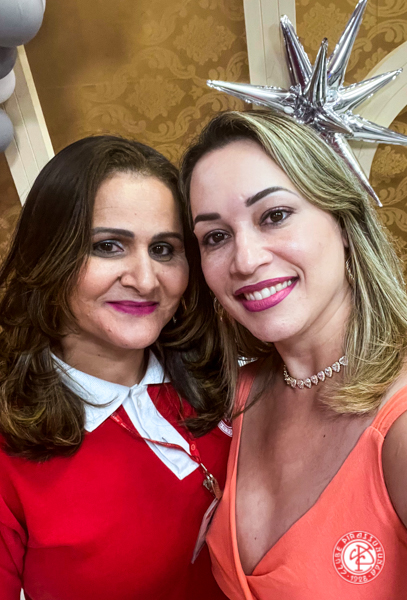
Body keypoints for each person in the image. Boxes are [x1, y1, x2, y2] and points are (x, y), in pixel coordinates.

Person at [179, 110, 407, 599]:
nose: (245, 260)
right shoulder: (238, 397)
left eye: (275, 216)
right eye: (216, 237)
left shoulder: (401, 426)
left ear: (343, 221)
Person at [0, 135, 231, 600]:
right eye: (108, 246)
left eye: (163, 249)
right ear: (48, 255)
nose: (145, 280)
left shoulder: (224, 378)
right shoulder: (8, 450)